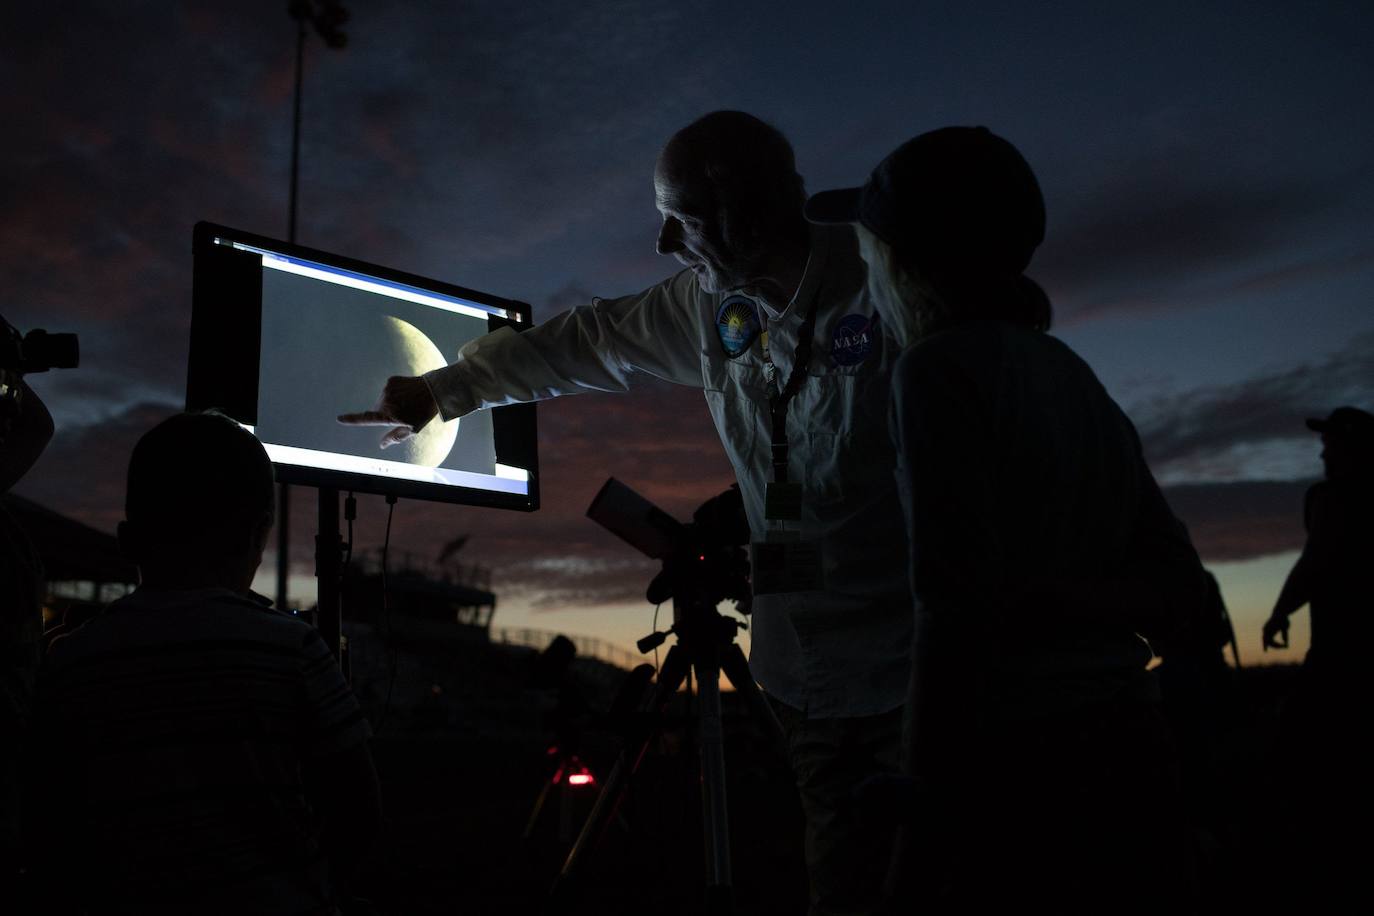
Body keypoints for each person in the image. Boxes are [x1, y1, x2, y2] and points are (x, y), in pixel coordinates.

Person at [341, 110, 910, 914]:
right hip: (807, 681)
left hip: (920, 674)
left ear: (739, 216)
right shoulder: (710, 309)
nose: (663, 245)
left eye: (677, 220)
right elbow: (589, 341)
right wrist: (444, 389)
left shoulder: (887, 285)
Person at [806, 127, 1208, 913]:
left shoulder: (935, 371)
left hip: (1021, 768)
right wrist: (1058, 602)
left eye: (870, 249)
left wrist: (920, 824)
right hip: (1129, 748)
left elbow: (951, 613)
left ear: (903, 260)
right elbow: (1178, 585)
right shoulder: (1069, 373)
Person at [28, 411, 380, 915]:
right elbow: (358, 810)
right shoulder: (293, 649)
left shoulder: (72, 660)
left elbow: (49, 823)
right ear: (259, 535)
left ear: (128, 540)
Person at [1261, 406, 1374, 908]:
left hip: (1341, 658)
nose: (1323, 451)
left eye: (1332, 443)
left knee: (1306, 759)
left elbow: (1317, 560)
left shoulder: (1330, 499)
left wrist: (1280, 611)